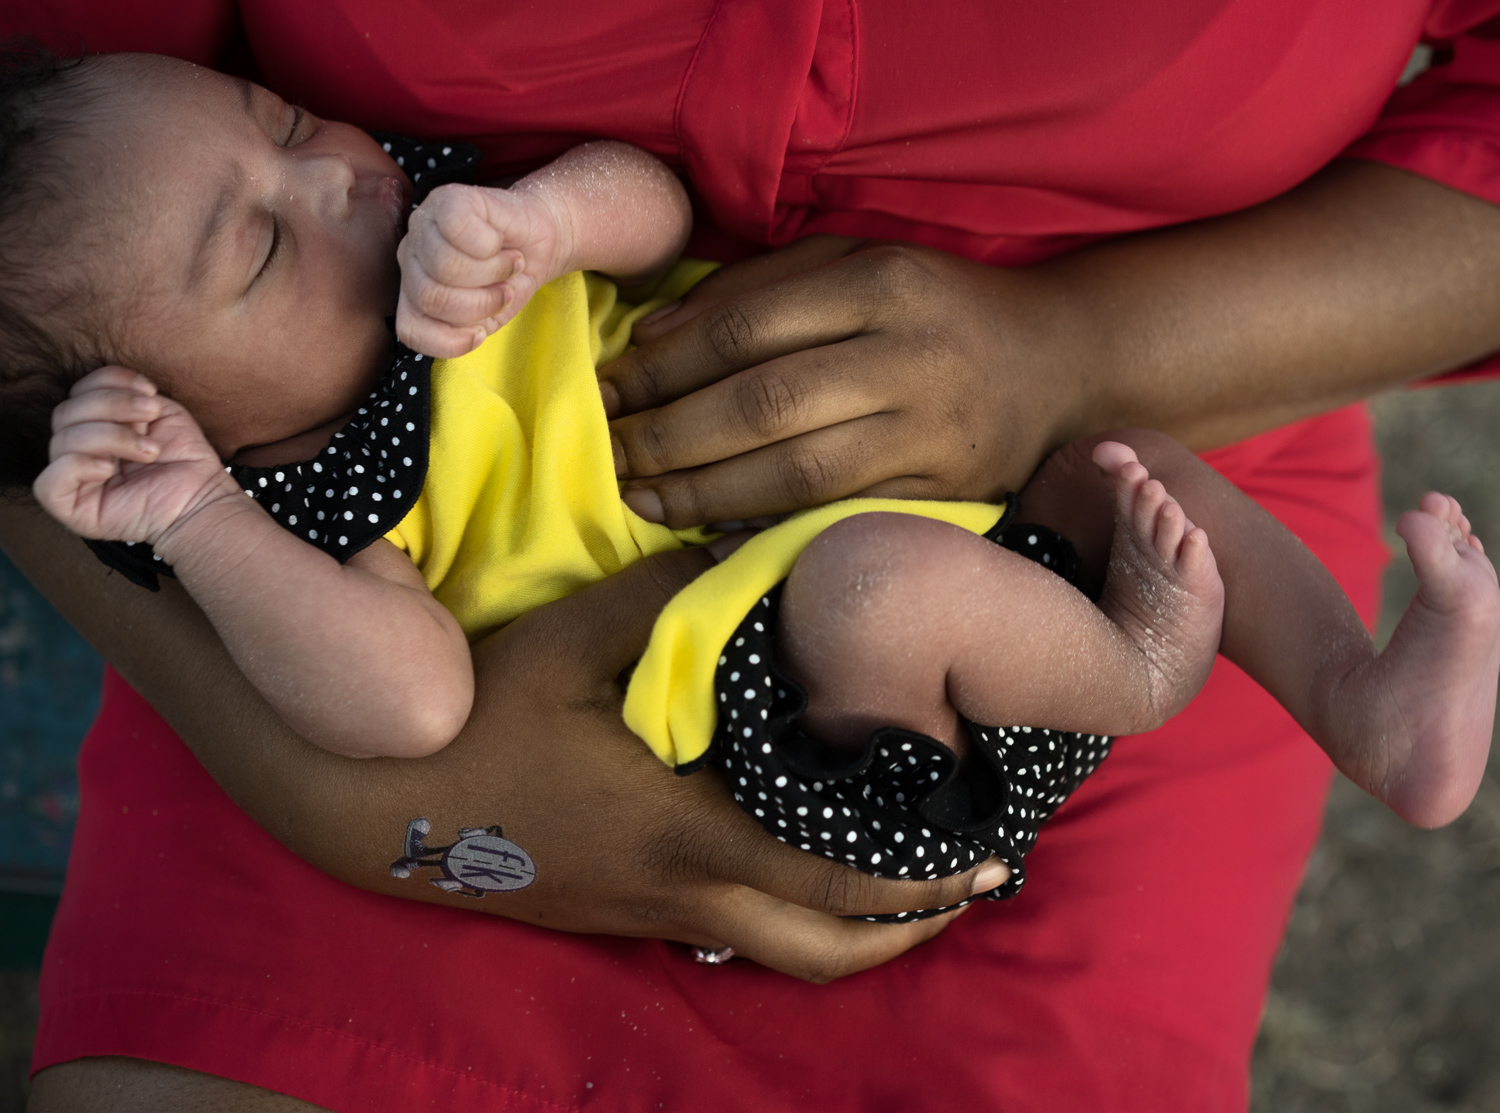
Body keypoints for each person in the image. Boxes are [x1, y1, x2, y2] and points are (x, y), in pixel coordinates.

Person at [6, 0, 1500, 1109]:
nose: (329, 181)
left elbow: (640, 215)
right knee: (871, 588)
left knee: (1131, 480)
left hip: (1161, 370)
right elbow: (399, 708)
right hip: (739, 706)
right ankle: (1139, 647)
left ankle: (1336, 688)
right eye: (260, 248)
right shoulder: (313, 500)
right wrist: (364, 794)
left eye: (281, 120)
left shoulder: (416, 223)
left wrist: (541, 218)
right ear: (162, 418)